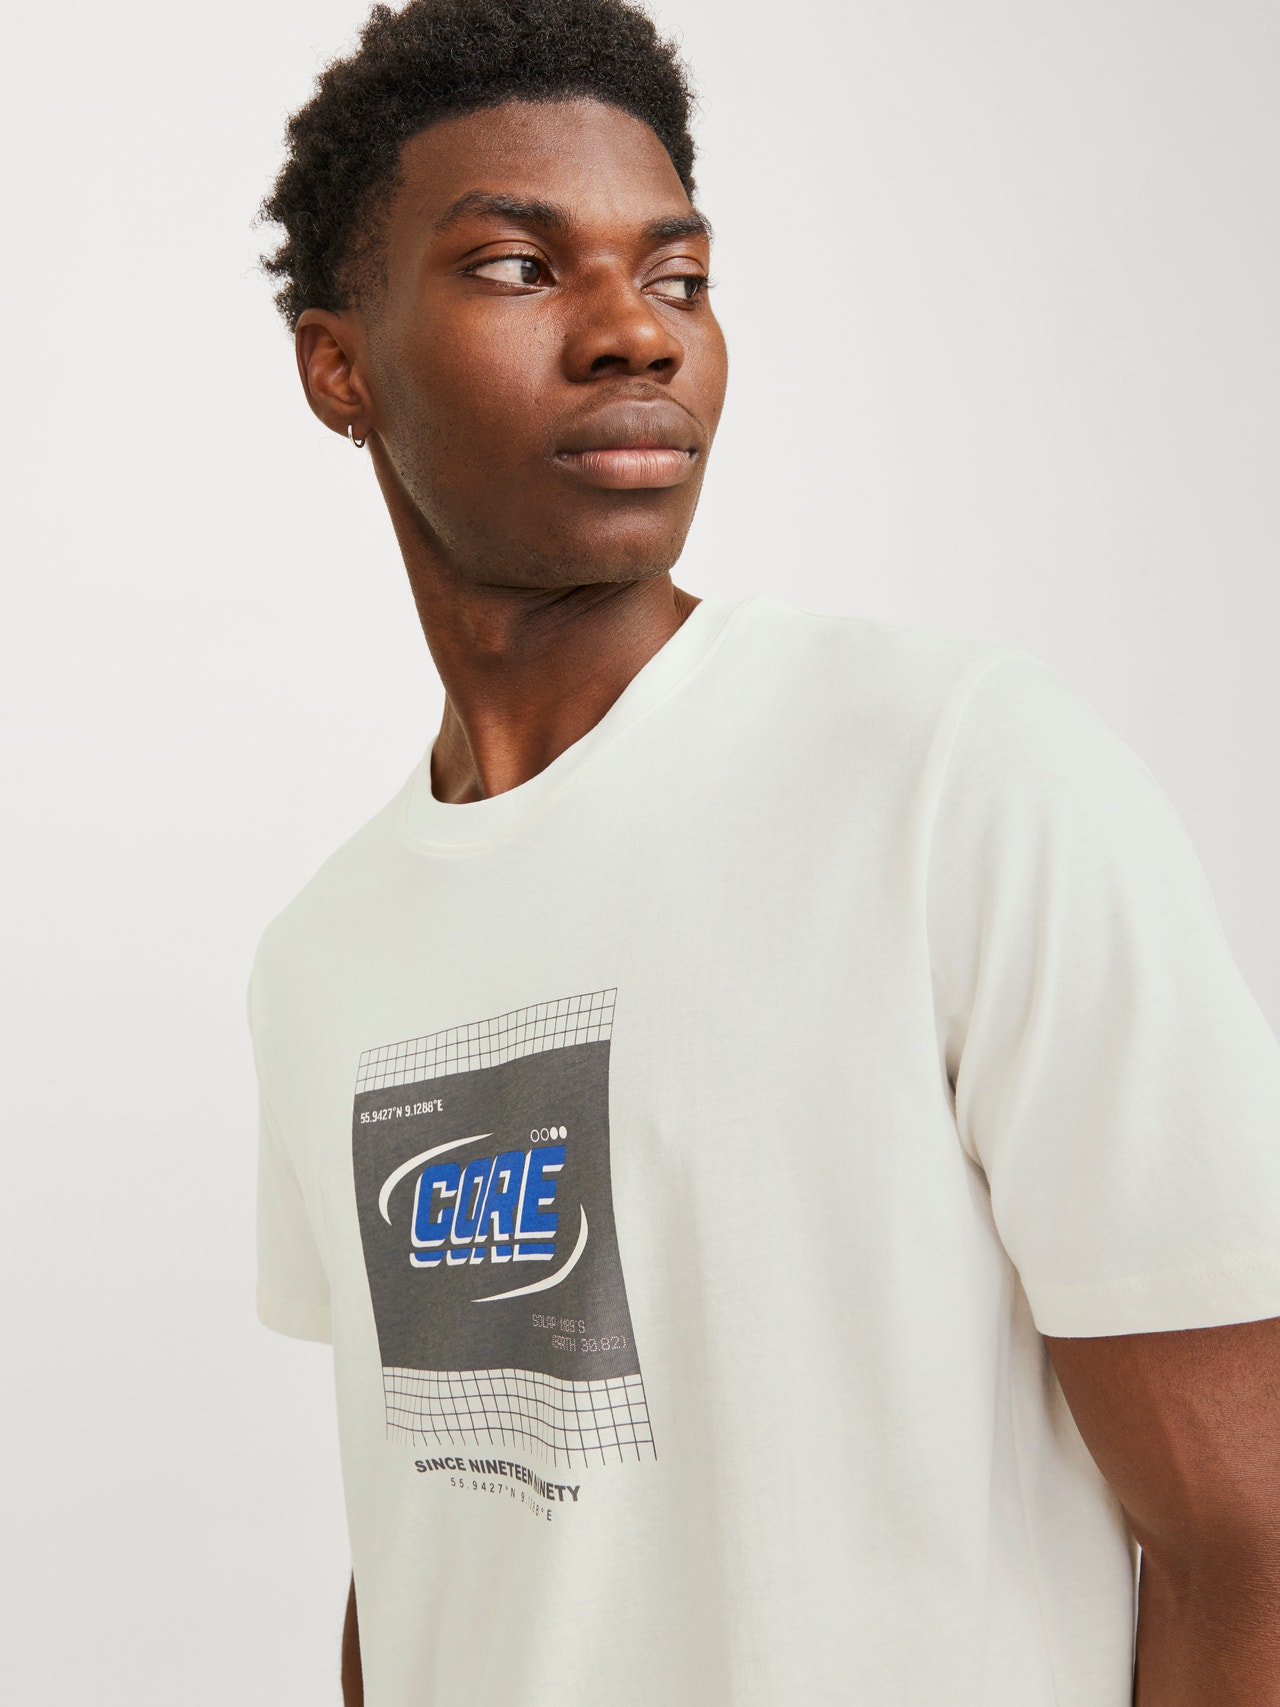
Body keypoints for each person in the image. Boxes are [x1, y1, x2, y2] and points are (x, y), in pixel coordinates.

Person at [249, 1, 1280, 1702]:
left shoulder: (954, 780)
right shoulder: (324, 954)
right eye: (518, 267)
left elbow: (1247, 1538)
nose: (632, 335)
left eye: (677, 276)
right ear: (338, 367)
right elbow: (433, 1528)